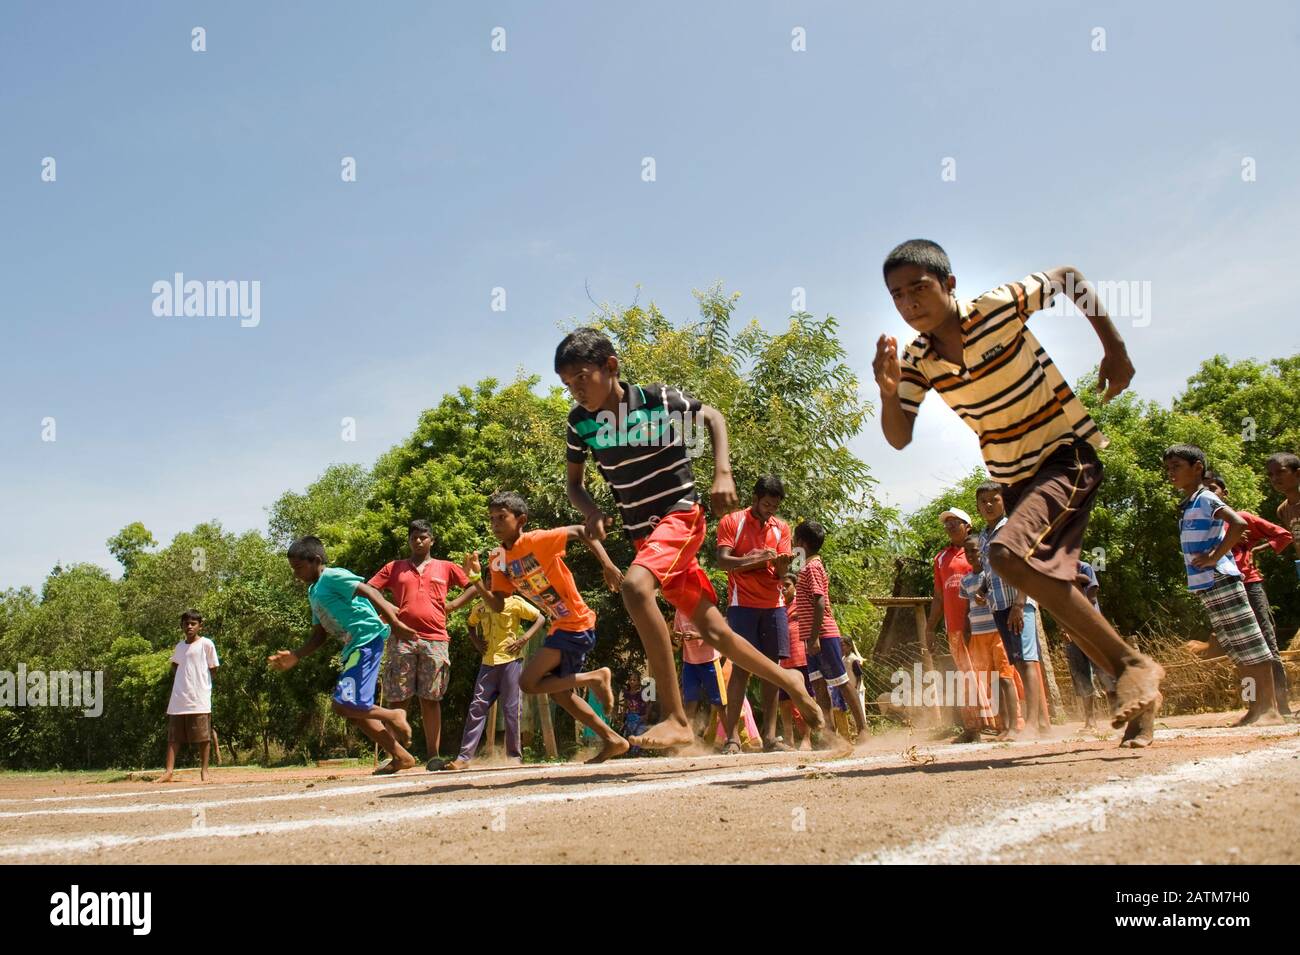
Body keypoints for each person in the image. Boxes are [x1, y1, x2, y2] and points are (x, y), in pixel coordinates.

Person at [872, 239, 1164, 746]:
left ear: (950, 285)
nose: (910, 303)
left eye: (919, 288)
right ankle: (1136, 690)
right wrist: (887, 391)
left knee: (1005, 555)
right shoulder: (918, 360)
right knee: (1053, 588)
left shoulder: (996, 308)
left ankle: (1133, 665)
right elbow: (899, 437)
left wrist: (1114, 350)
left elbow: (1069, 275)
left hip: (1066, 454)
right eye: (898, 296)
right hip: (1016, 479)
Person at [556, 327, 824, 751]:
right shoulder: (580, 424)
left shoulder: (656, 400)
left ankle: (676, 716)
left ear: (611, 367)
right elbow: (575, 485)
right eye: (567, 385)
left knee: (634, 587)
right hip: (646, 537)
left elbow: (713, 417)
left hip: (680, 515)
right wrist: (591, 511)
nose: (576, 391)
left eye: (582, 379)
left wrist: (722, 472)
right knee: (715, 632)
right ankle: (789, 680)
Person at [463, 491, 630, 763]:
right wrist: (475, 581)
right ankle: (613, 740)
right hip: (560, 625)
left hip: (576, 622)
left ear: (521, 520)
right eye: (491, 518)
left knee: (528, 682)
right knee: (560, 694)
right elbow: (497, 605)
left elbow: (580, 530)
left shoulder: (536, 540)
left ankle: (596, 677)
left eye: (501, 517)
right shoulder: (497, 559)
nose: (494, 523)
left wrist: (608, 565)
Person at [269, 536, 419, 773]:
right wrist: (296, 655)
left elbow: (368, 590)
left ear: (316, 560)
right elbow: (319, 635)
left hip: (366, 640)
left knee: (342, 705)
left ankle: (394, 714)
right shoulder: (313, 591)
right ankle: (401, 756)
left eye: (299, 567)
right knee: (355, 711)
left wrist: (394, 620)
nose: (296, 574)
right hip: (353, 647)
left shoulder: (331, 576)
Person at [1164, 445, 1282, 728]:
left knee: (1251, 643)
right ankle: (1254, 707)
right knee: (1237, 648)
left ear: (1197, 469)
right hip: (1206, 584)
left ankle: (1269, 709)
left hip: (1221, 577)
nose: (1171, 473)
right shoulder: (1189, 502)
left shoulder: (1205, 497)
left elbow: (1239, 523)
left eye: (1177, 466)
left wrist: (1215, 557)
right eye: (1168, 468)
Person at [368, 520, 478, 765]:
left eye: (424, 537)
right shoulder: (394, 567)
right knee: (398, 698)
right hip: (402, 639)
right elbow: (369, 589)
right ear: (409, 540)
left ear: (432, 540)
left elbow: (473, 587)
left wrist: (453, 605)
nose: (419, 541)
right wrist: (388, 609)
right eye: (414, 537)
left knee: (431, 699)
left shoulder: (446, 567)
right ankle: (395, 756)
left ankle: (433, 757)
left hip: (436, 639)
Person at [715, 474, 796, 751]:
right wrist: (755, 559)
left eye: (774, 507)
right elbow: (722, 561)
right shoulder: (732, 522)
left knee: (772, 671)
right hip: (742, 604)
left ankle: (771, 737)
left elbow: (783, 572)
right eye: (766, 505)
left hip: (774, 605)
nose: (770, 511)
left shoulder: (782, 529)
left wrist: (783, 566)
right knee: (741, 669)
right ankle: (732, 738)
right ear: (754, 500)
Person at [1203, 471, 1292, 715]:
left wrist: (1256, 548)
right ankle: (1253, 706)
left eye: (1213, 488)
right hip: (1222, 586)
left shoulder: (1240, 518)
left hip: (1249, 584)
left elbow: (1283, 535)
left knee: (1267, 643)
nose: (1209, 493)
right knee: (1241, 650)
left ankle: (1282, 706)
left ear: (1224, 493)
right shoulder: (1205, 523)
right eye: (1205, 489)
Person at [975, 482, 1050, 734]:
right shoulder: (984, 536)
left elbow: (1026, 566)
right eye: (983, 501)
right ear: (977, 506)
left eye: (993, 500)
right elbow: (991, 570)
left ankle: (1031, 723)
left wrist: (1020, 603)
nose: (988, 505)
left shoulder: (1011, 527)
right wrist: (983, 590)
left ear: (1003, 501)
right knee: (1018, 661)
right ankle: (1039, 722)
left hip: (1019, 603)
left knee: (1028, 660)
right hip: (999, 605)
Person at [441, 592, 545, 771]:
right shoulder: (481, 606)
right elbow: (470, 624)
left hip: (510, 662)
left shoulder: (515, 603)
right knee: (477, 707)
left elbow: (540, 618)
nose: (493, 584)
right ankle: (464, 757)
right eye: (489, 579)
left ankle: (513, 756)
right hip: (488, 664)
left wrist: (524, 639)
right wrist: (476, 642)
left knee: (511, 710)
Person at [795, 520, 869, 741]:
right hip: (811, 636)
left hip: (823, 634)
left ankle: (863, 729)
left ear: (801, 543)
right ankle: (829, 733)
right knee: (819, 684)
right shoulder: (805, 566)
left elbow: (819, 602)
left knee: (841, 681)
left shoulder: (813, 568)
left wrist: (815, 636)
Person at [955, 537, 1021, 741]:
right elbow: (967, 609)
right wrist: (967, 633)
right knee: (990, 681)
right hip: (978, 635)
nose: (972, 555)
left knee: (1005, 677)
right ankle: (1001, 725)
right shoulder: (965, 581)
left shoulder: (991, 575)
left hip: (997, 631)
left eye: (975, 551)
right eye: (968, 552)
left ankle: (1015, 725)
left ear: (982, 552)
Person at [157, 610, 219, 783]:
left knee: (203, 736)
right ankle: (169, 772)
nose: (189, 626)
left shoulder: (207, 644)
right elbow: (175, 666)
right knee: (173, 737)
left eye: (193, 623)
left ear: (200, 625)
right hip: (179, 698)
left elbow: (213, 669)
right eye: (186, 623)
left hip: (199, 697)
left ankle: (204, 771)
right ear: (182, 626)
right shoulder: (179, 646)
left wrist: (201, 686)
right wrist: (182, 683)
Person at [1060, 560, 1116, 730]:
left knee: (1103, 671)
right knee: (1081, 675)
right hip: (1072, 632)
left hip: (1091, 629)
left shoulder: (1085, 567)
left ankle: (1118, 712)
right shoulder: (1056, 573)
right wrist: (1064, 627)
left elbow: (1091, 599)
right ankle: (1090, 720)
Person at [926, 507, 972, 669]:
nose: (950, 526)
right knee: (967, 674)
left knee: (991, 674)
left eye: (955, 522)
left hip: (981, 625)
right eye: (947, 524)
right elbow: (939, 597)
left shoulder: (980, 551)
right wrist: (930, 629)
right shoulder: (940, 558)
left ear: (968, 527)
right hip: (954, 628)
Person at [674, 609, 728, 742]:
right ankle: (687, 740)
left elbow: (716, 632)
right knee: (690, 703)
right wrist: (678, 636)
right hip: (689, 662)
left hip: (710, 661)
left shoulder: (703, 607)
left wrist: (697, 635)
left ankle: (732, 738)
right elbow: (675, 632)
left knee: (720, 703)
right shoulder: (679, 611)